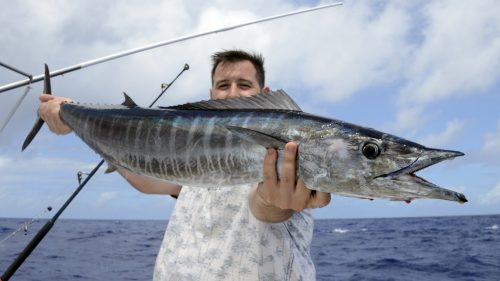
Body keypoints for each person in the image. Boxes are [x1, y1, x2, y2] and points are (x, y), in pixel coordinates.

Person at [38, 50, 331, 280]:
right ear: (211, 94)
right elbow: (145, 178)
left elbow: (266, 204)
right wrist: (72, 118)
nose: (231, 93)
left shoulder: (294, 147)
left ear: (265, 93)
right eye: (222, 85)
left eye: (244, 85)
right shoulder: (194, 161)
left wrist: (278, 202)